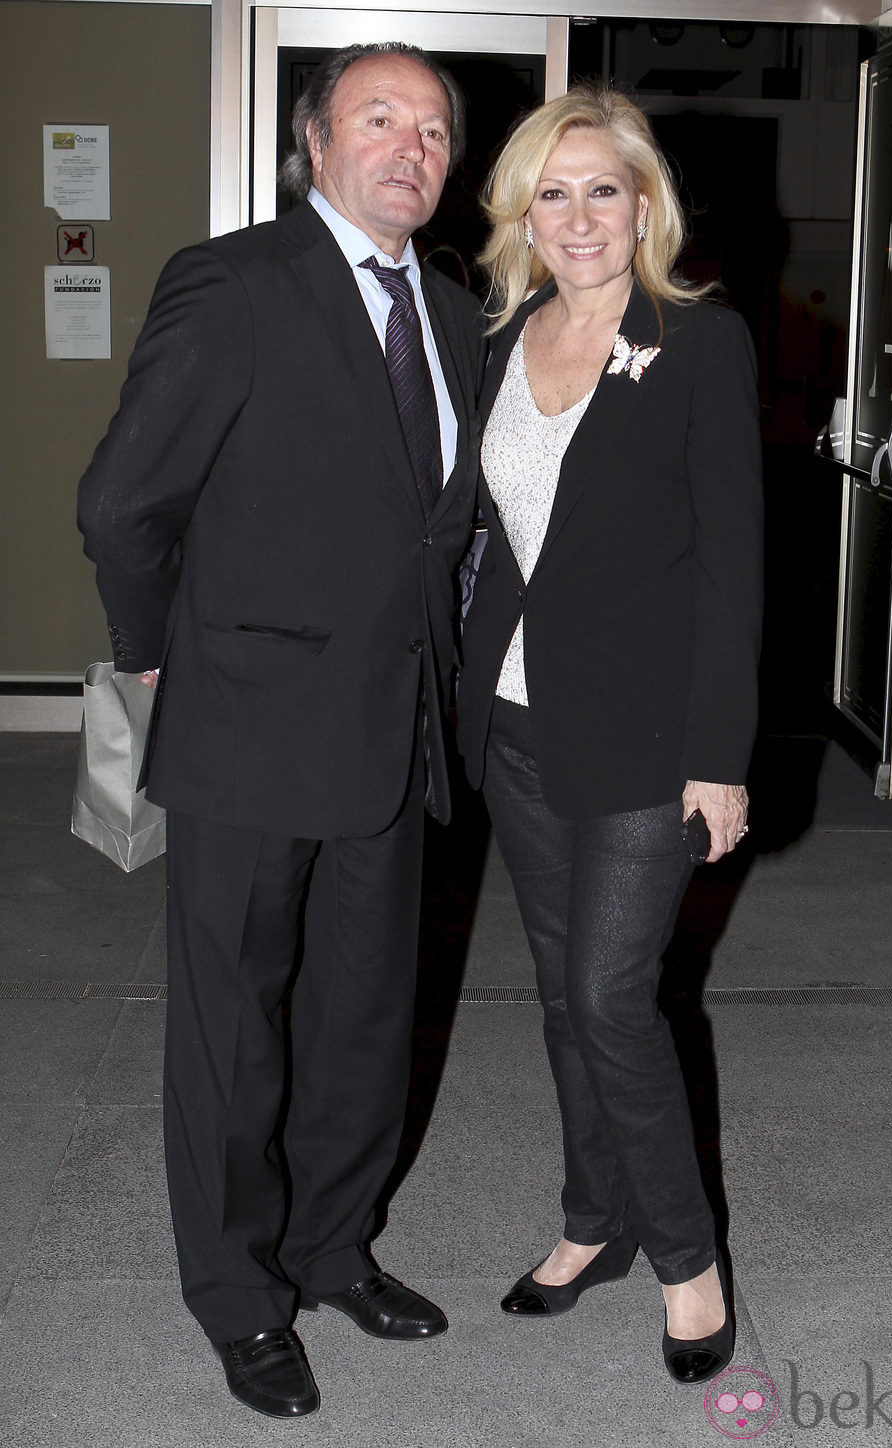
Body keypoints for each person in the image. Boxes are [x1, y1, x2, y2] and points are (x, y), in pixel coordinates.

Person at [77, 42, 484, 1419]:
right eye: (379, 119)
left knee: (366, 1019)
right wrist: (151, 666)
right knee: (234, 1036)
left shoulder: (453, 304)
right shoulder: (235, 282)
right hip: (251, 731)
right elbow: (122, 503)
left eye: (432, 128)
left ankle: (331, 1247)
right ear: (316, 142)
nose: (409, 148)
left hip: (394, 735)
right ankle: (241, 1297)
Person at [455, 86, 763, 1385]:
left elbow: (732, 568)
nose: (578, 216)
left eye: (603, 189)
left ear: (645, 205)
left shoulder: (699, 343)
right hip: (518, 723)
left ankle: (687, 1262)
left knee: (609, 999)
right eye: (553, 191)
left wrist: (721, 756)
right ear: (521, 210)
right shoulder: (502, 336)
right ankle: (592, 1222)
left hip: (648, 737)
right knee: (561, 1000)